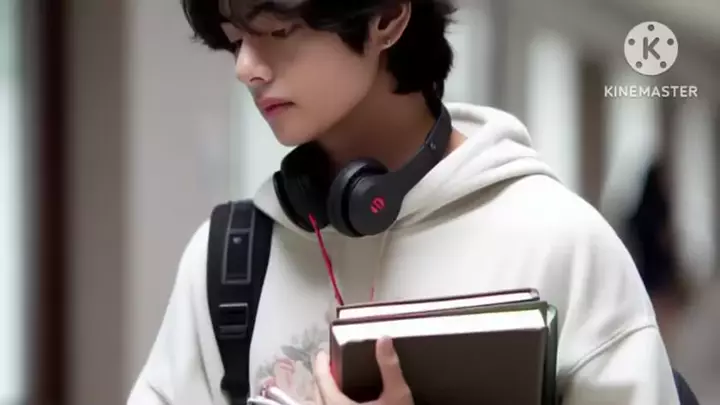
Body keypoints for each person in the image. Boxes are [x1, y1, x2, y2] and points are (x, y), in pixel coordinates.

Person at [128, 0, 680, 404]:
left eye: (277, 29)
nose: (246, 67)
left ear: (387, 16)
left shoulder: (560, 242)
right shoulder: (229, 259)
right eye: (234, 39)